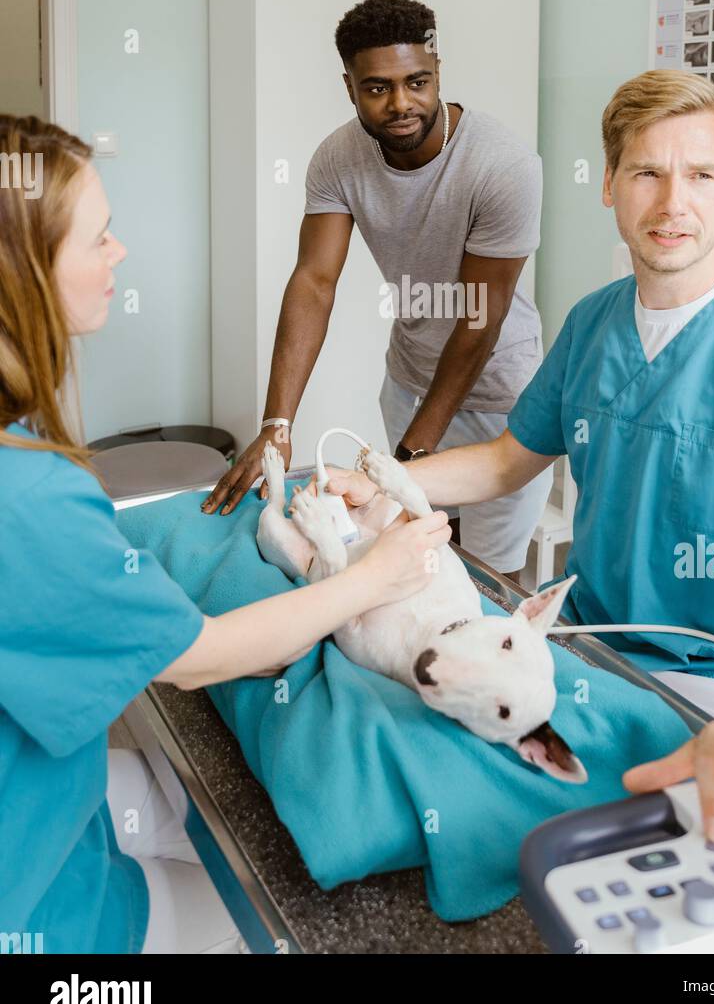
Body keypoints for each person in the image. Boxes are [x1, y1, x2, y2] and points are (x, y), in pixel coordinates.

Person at [325, 69, 714, 840]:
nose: (674, 203)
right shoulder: (593, 322)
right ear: (609, 184)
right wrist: (380, 480)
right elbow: (511, 458)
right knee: (414, 773)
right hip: (591, 649)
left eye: (701, 175)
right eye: (647, 172)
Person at [0, 114, 449, 954]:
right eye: (99, 237)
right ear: (22, 274)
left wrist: (402, 474)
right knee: (271, 929)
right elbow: (200, 656)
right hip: (37, 915)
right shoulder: (28, 497)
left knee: (175, 802)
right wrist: (368, 577)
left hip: (46, 800)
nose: (119, 254)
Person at [203, 0, 553, 583]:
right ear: (350, 86)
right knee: (417, 551)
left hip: (500, 396)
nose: (401, 104)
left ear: (438, 72)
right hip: (410, 380)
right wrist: (278, 425)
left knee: (493, 581)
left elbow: (479, 319)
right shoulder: (338, 158)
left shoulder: (503, 166)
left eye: (417, 81)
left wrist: (411, 456)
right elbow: (314, 281)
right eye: (377, 88)